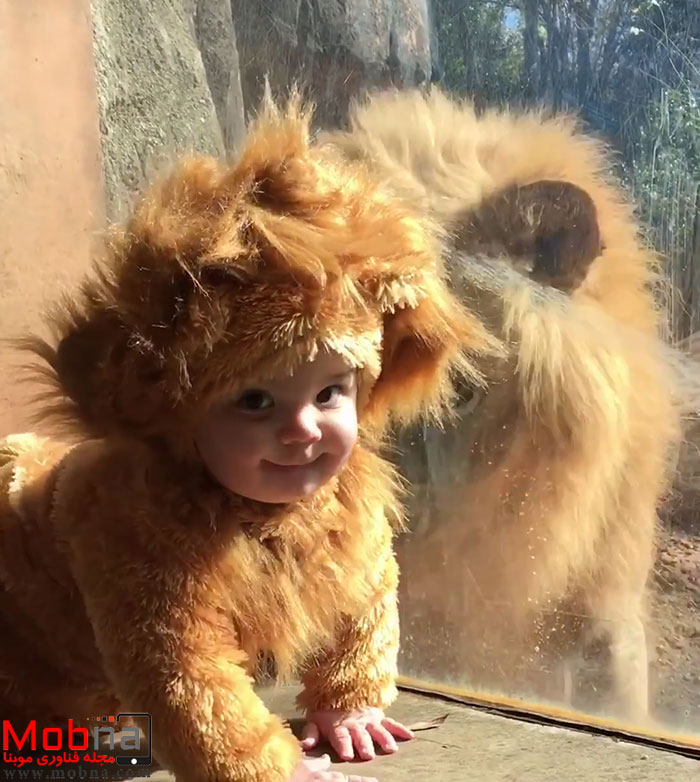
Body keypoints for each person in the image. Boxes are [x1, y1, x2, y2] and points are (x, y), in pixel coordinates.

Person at [0, 93, 494, 782]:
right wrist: (261, 768)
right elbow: (176, 668)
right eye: (255, 399)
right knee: (58, 746)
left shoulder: (344, 491)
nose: (302, 428)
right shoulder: (140, 521)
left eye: (331, 393)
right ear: (181, 409)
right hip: (28, 660)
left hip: (119, 679)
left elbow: (365, 582)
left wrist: (348, 698)